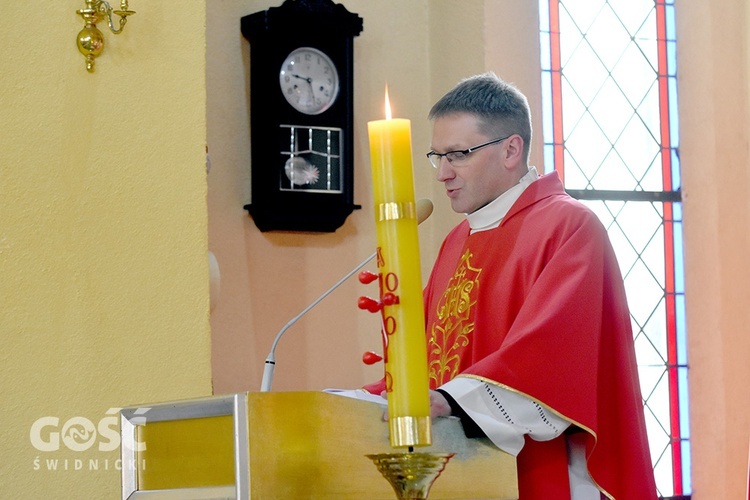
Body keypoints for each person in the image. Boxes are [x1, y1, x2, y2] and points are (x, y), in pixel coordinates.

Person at [363, 73, 656, 499]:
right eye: (436, 156)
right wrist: (358, 400)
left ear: (511, 149)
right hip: (461, 472)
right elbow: (423, 357)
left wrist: (450, 401)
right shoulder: (457, 241)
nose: (442, 173)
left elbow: (553, 354)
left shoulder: (569, 226)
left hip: (545, 469)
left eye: (458, 155)